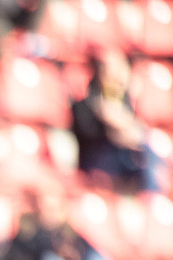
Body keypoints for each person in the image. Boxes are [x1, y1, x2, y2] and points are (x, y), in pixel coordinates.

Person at [71, 47, 168, 194]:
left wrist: (125, 124)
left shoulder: (137, 90)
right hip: (111, 154)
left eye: (117, 66)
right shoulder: (91, 102)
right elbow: (92, 132)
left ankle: (154, 197)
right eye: (105, 69)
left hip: (139, 149)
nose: (112, 73)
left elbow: (141, 132)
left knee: (154, 148)